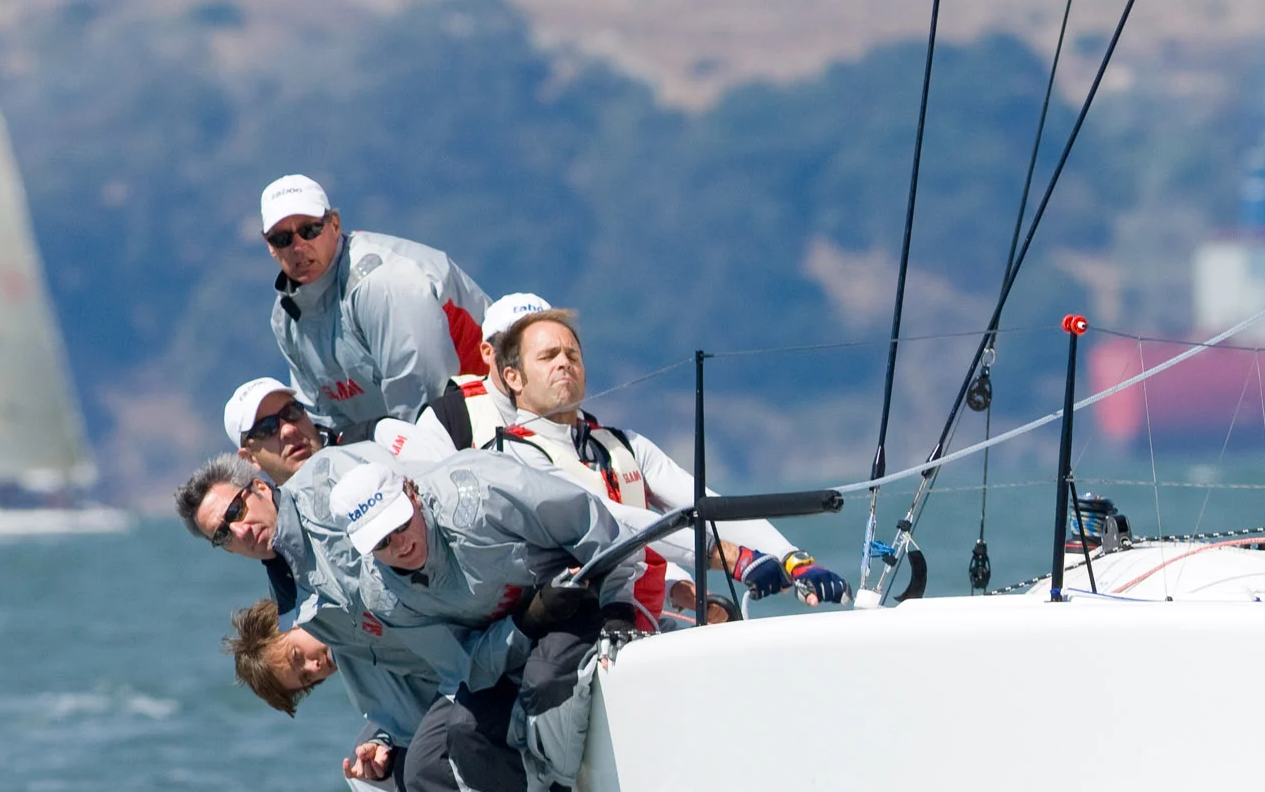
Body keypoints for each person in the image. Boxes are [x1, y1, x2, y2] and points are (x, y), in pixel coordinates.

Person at [178, 450, 542, 792]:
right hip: (450, 684)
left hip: (483, 656)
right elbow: (384, 705)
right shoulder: (335, 631)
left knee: (417, 764)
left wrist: (389, 736)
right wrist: (379, 742)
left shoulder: (327, 521)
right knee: (367, 772)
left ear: (258, 487)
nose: (313, 665)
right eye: (221, 534)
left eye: (297, 657)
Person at [332, 452, 645, 792]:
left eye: (401, 526)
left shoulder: (483, 493)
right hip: (505, 649)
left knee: (548, 686)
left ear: (411, 491)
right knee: (439, 752)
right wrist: (526, 621)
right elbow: (463, 666)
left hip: (579, 606)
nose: (401, 546)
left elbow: (593, 524)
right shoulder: (383, 594)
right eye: (381, 543)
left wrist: (617, 606)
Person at [487, 307, 849, 614]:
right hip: (565, 630)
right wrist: (733, 558)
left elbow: (706, 504)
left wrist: (794, 560)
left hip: (638, 620)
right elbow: (610, 520)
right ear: (513, 378)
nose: (564, 364)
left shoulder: (624, 444)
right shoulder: (513, 457)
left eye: (573, 356)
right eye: (549, 356)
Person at [260, 173, 490, 444]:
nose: (298, 246)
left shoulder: (383, 283)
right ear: (270, 247)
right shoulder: (286, 317)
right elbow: (325, 420)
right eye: (282, 239)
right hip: (407, 443)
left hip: (493, 419)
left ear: (334, 224)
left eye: (310, 230)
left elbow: (424, 403)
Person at [413, 290, 546, 454]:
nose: (529, 354)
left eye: (544, 348)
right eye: (515, 345)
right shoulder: (450, 416)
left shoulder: (580, 424)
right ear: (487, 353)